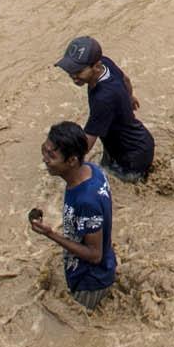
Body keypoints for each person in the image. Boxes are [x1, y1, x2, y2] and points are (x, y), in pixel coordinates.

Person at [31, 121, 118, 304]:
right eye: (44, 151)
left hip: (89, 284)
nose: (45, 159)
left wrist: (50, 234)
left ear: (72, 160)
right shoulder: (92, 170)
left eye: (51, 155)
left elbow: (95, 255)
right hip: (94, 272)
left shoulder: (87, 200)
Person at [55, 35, 155, 182]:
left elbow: (87, 141)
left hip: (131, 156)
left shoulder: (103, 98)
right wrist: (130, 97)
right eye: (70, 70)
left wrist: (65, 164)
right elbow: (125, 79)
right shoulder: (105, 64)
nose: (73, 76)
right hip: (128, 144)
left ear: (95, 66)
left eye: (79, 71)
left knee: (114, 186)